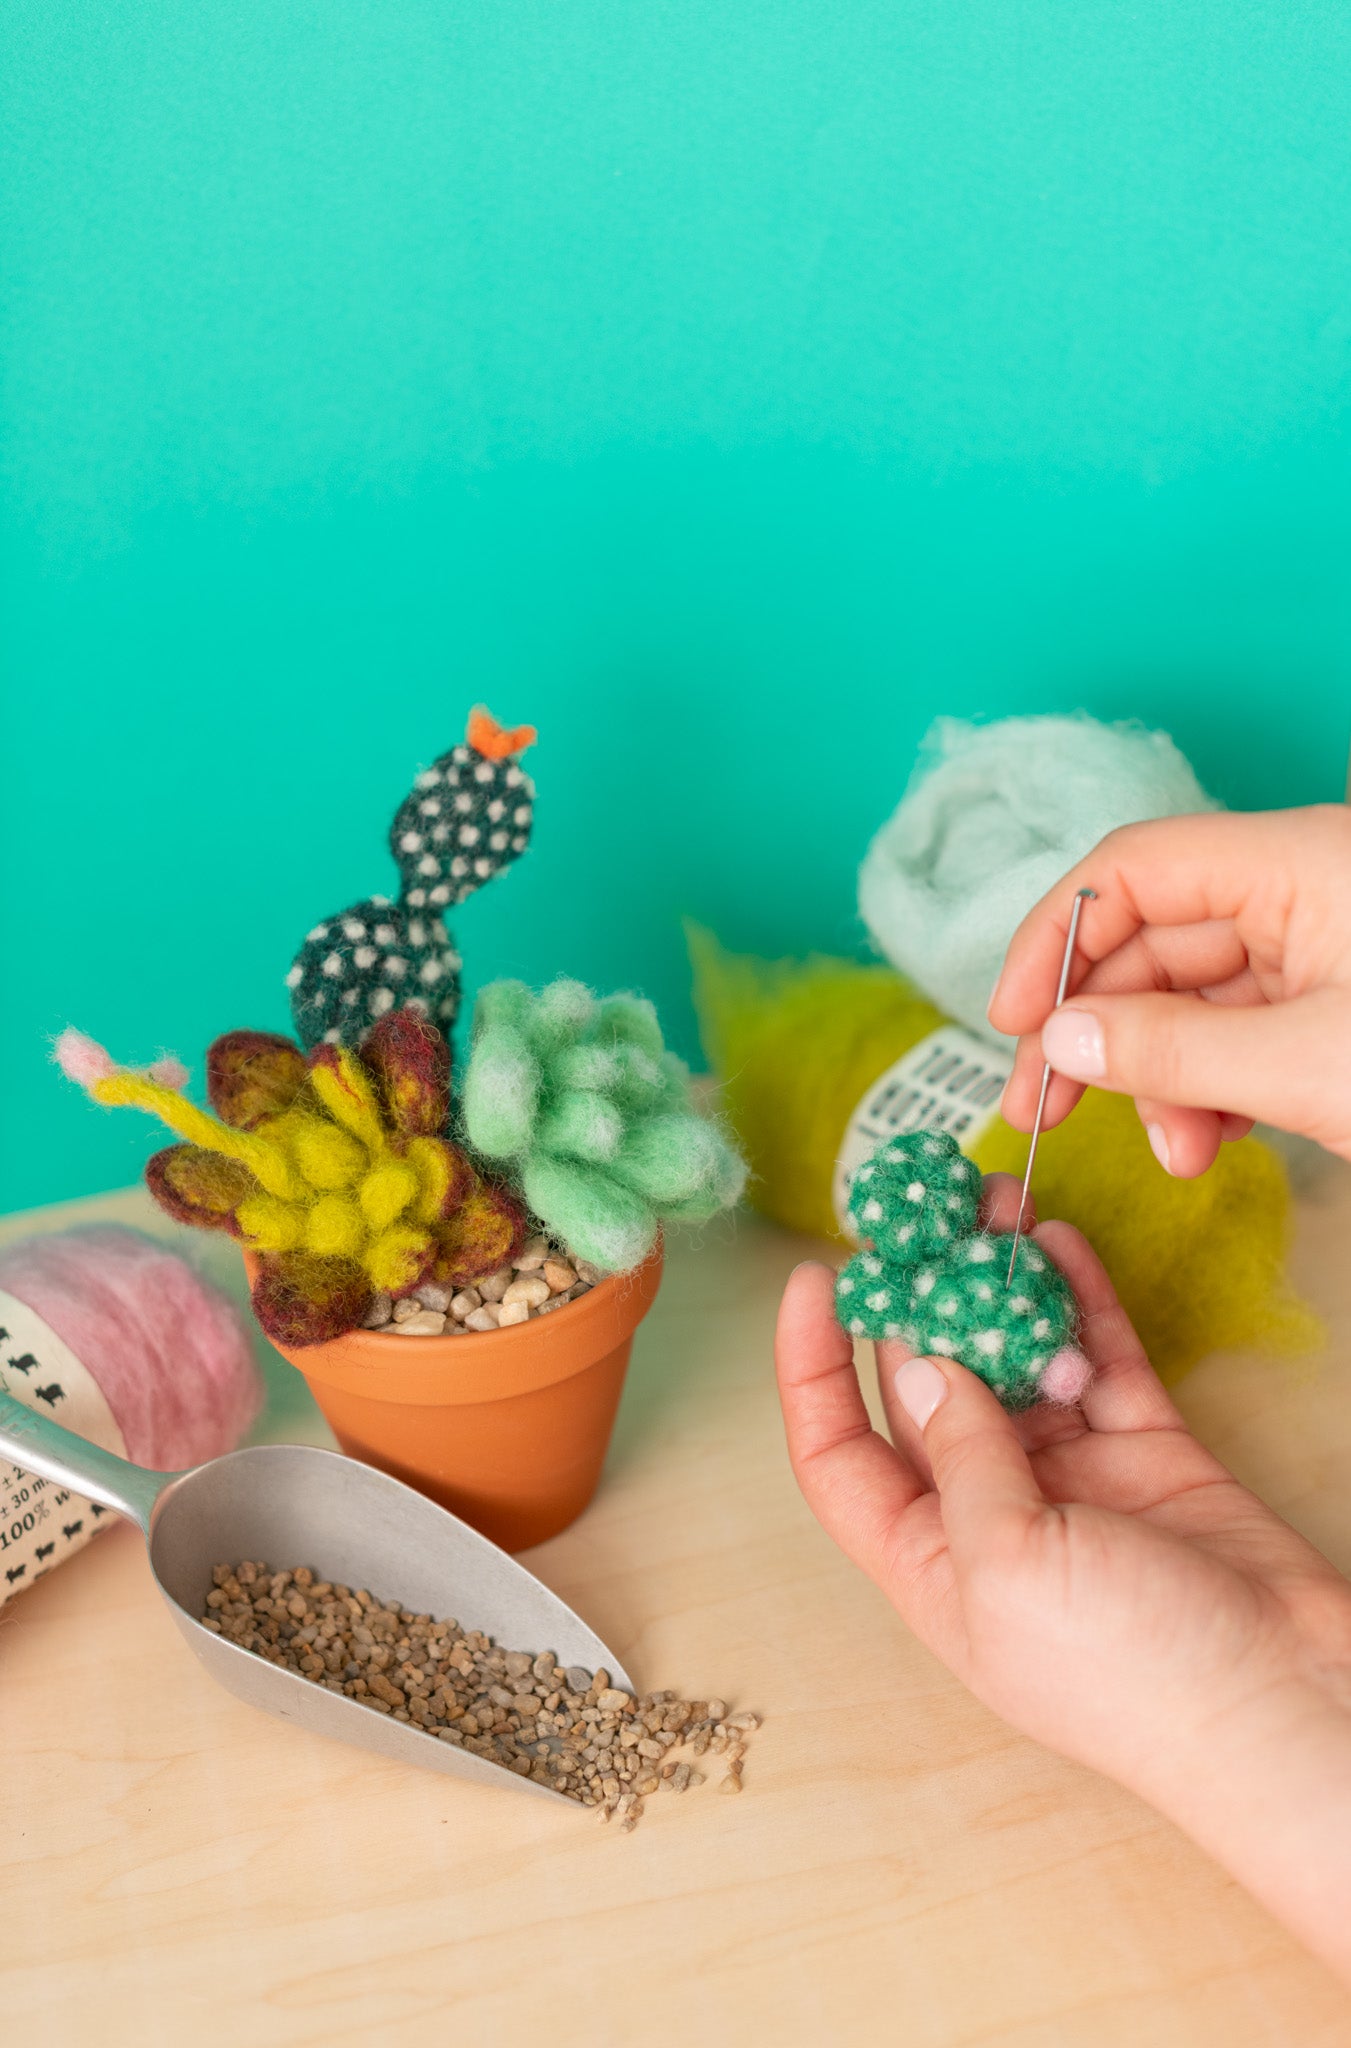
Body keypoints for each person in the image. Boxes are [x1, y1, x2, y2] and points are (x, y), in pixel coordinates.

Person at [775, 805, 1351, 1982]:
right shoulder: (951, 1274)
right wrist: (1258, 1695)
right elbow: (865, 1299)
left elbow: (863, 1302)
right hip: (1031, 1344)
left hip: (1031, 1351)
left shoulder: (937, 1279)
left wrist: (1245, 1705)